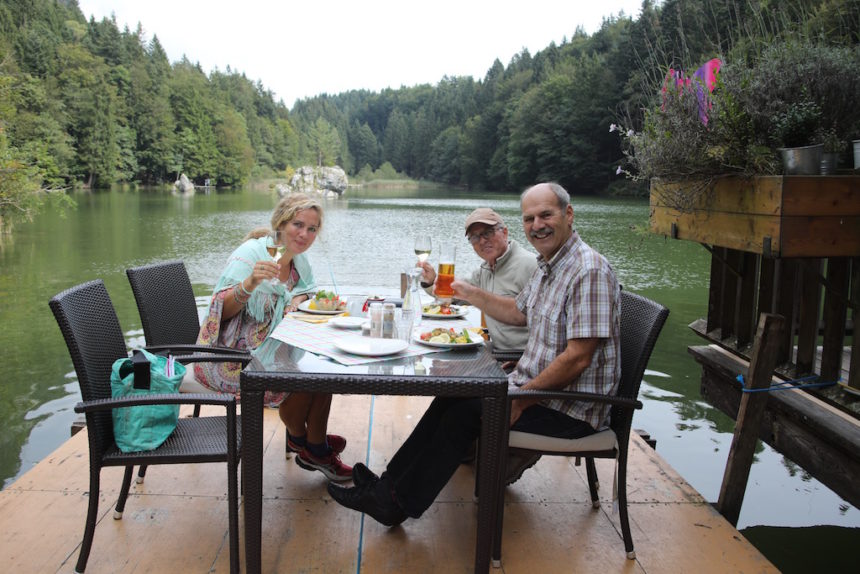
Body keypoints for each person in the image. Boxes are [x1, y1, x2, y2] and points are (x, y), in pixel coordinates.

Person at [327, 182, 621, 526]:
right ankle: (390, 484)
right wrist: (469, 294)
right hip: (540, 390)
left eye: (546, 215)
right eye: (530, 218)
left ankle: (394, 504)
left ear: (568, 214)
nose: (537, 225)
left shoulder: (588, 270)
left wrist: (521, 400)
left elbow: (578, 358)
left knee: (463, 413)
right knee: (453, 394)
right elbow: (516, 313)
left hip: (570, 409)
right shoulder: (550, 265)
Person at [195, 193, 352, 481]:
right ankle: (310, 445)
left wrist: (296, 300)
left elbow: (306, 288)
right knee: (307, 374)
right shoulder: (252, 254)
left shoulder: (296, 260)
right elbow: (220, 311)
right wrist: (251, 283)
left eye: (312, 228)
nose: (304, 234)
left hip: (274, 345)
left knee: (324, 365)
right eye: (298, 224)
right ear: (280, 223)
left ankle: (309, 443)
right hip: (234, 357)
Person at [418, 208, 536, 351]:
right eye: (474, 237)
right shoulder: (485, 269)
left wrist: (525, 361)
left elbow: (548, 328)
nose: (482, 241)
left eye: (487, 233)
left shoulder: (530, 265)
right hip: (497, 352)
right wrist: (430, 281)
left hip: (522, 358)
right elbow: (454, 295)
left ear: (505, 233)